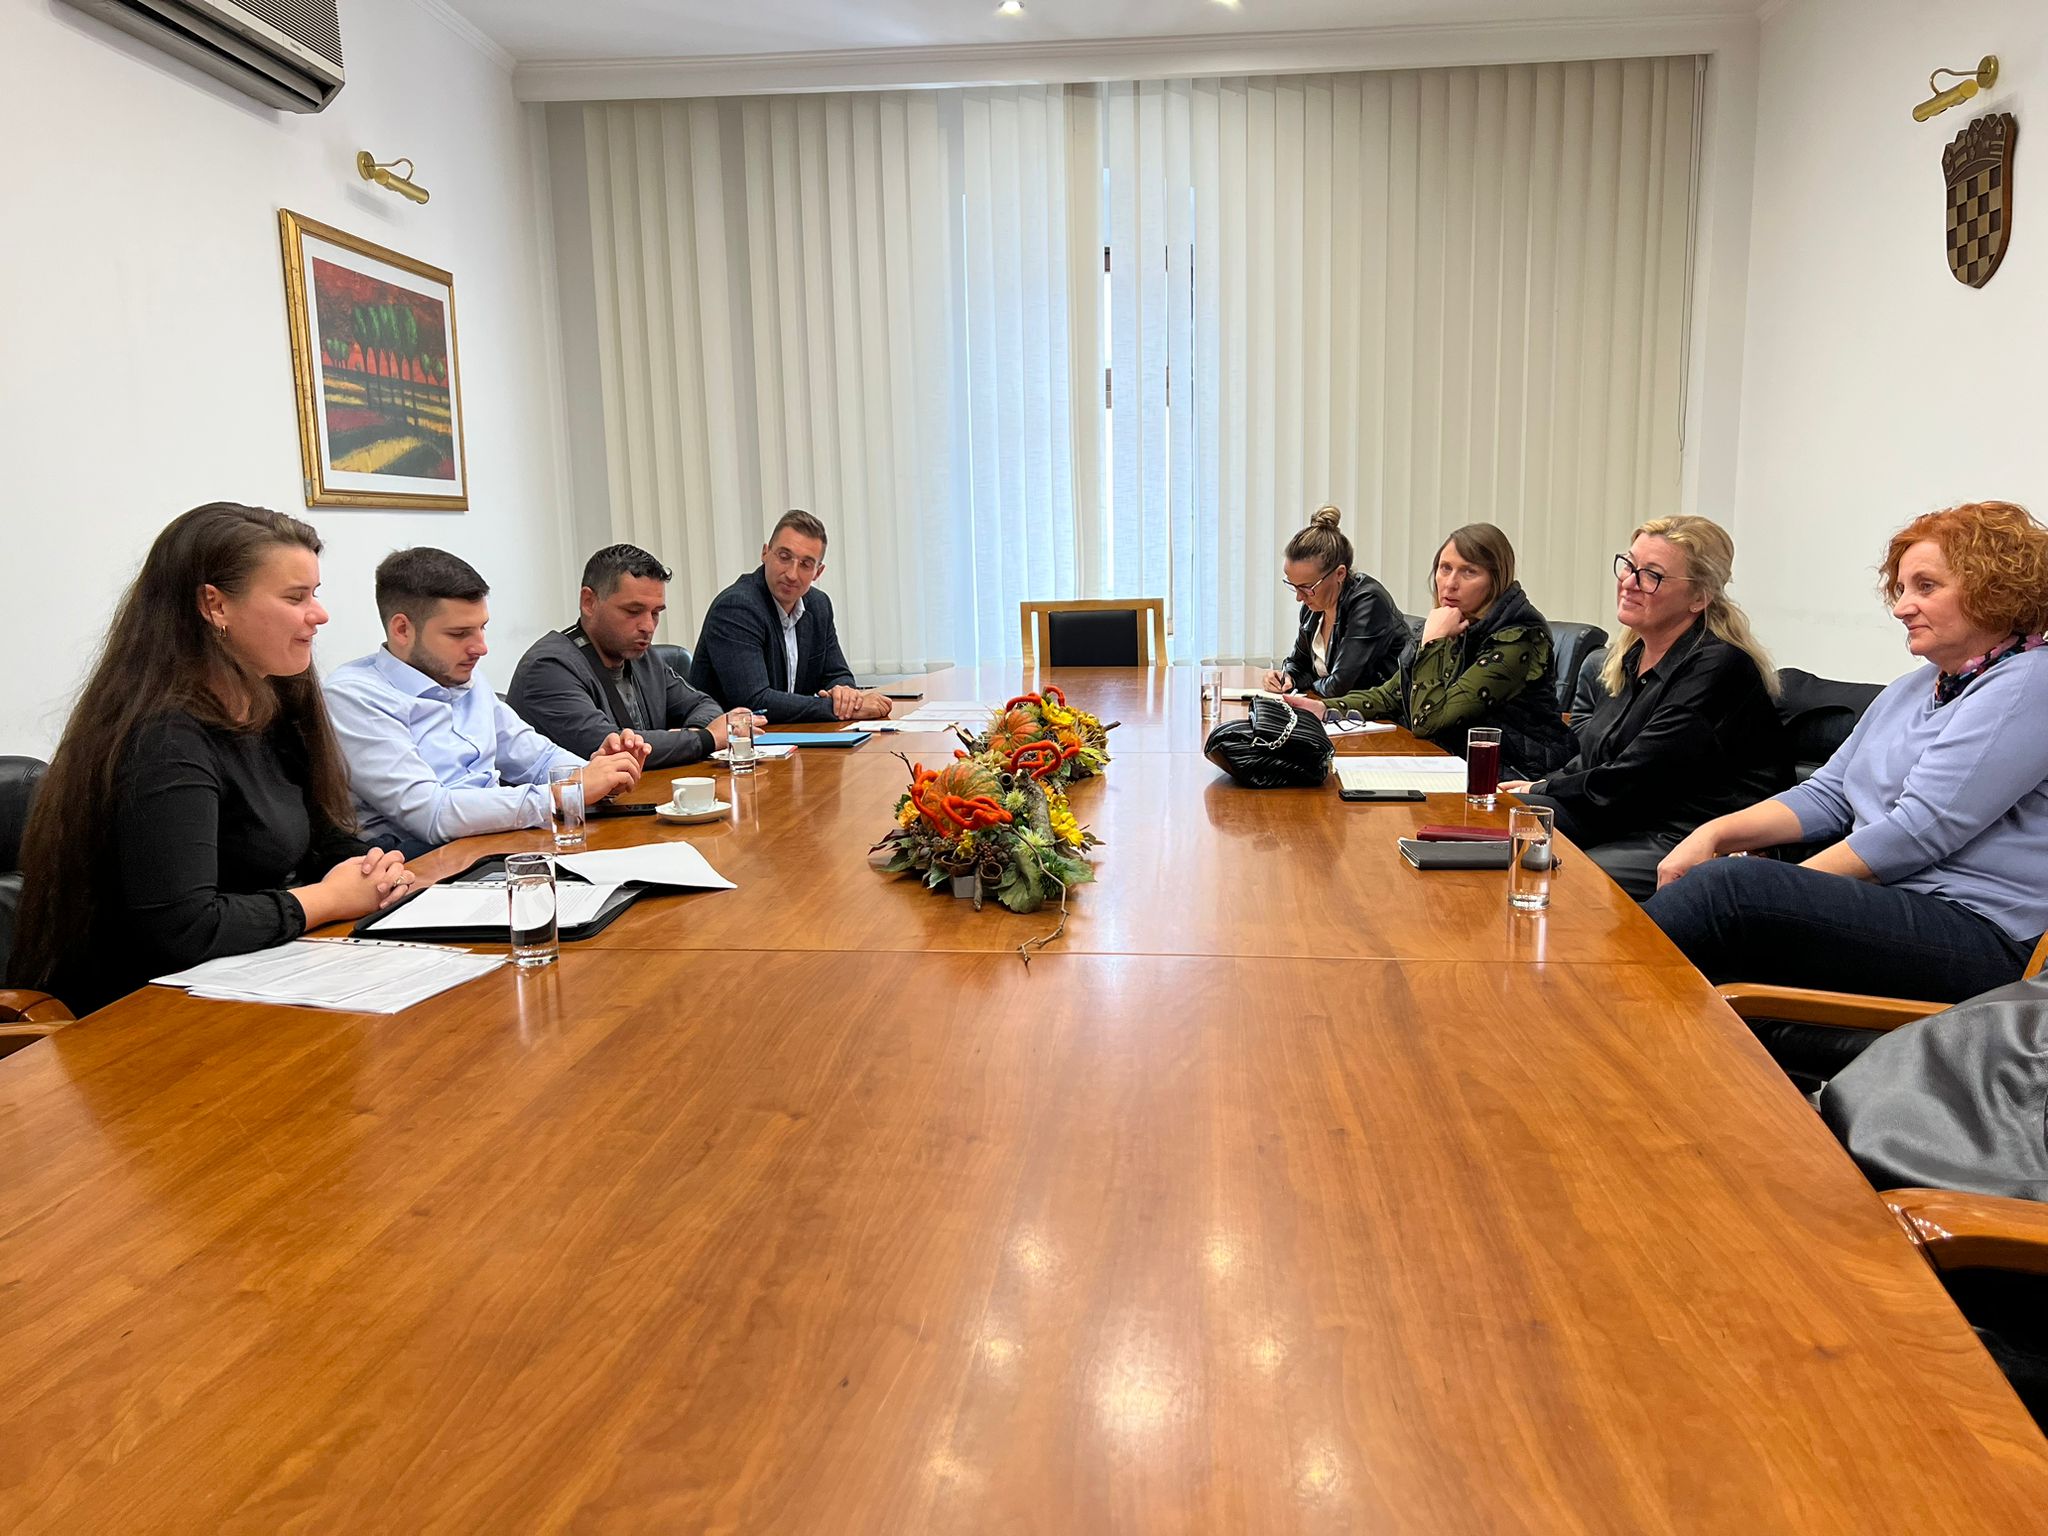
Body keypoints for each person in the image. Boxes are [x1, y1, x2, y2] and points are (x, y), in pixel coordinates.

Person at [12, 504, 414, 1015]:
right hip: (143, 1017)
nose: (319, 614)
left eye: (315, 593)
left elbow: (320, 838)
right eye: (295, 597)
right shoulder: (164, 736)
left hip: (251, 980)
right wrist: (330, 899)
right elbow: (184, 928)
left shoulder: (273, 700)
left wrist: (371, 870)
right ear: (215, 605)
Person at [1646, 500, 2048, 1009]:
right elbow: (1830, 793)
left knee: (1726, 892)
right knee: (1711, 917)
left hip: (1983, 933)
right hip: (1896, 902)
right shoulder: (1914, 687)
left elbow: (1917, 832)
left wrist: (1780, 886)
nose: (1902, 607)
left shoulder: (2030, 683)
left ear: (1993, 588)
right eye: (1901, 589)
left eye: (1926, 587)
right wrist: (1713, 834)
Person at [1504, 516, 1788, 900]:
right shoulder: (1632, 655)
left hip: (1685, 833)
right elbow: (1595, 758)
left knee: (1559, 877)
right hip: (1626, 815)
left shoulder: (1718, 666)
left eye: (1651, 575)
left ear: (1699, 598)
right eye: (1629, 565)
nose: (1629, 582)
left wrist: (1544, 787)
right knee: (1495, 819)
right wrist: (1532, 790)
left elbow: (1638, 776)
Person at [324, 548, 647, 854]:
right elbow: (432, 815)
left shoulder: (464, 677)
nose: (481, 647)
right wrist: (565, 793)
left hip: (495, 844)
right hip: (422, 863)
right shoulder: (355, 697)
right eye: (459, 633)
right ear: (402, 630)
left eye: (482, 628)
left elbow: (537, 759)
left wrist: (600, 774)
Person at [1292, 523, 1573, 776]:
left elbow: (1428, 720)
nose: (1450, 583)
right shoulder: (1455, 622)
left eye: (1469, 572)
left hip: (1516, 774)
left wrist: (1432, 643)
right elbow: (1392, 694)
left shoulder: (1519, 638)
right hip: (1451, 761)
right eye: (1445, 568)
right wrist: (1325, 708)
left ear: (1495, 580)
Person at [509, 543, 755, 768]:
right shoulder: (548, 668)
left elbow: (703, 705)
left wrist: (689, 735)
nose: (648, 626)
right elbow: (610, 748)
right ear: (589, 602)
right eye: (633, 611)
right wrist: (705, 738)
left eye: (656, 613)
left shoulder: (642, 657)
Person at [688, 510, 893, 724]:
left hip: (785, 736)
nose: (792, 574)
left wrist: (846, 695)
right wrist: (840, 710)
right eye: (784, 557)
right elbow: (755, 702)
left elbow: (837, 675)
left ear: (818, 572)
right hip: (733, 741)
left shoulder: (818, 606)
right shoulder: (737, 608)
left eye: (805, 564)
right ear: (765, 553)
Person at [1260, 505, 1407, 698]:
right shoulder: (1313, 607)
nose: (1299, 597)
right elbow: (1299, 663)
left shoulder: (1368, 602)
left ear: (1339, 574)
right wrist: (1287, 678)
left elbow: (1340, 685)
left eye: (1306, 587)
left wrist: (1306, 686)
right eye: (1294, 586)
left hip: (1381, 712)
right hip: (1336, 709)